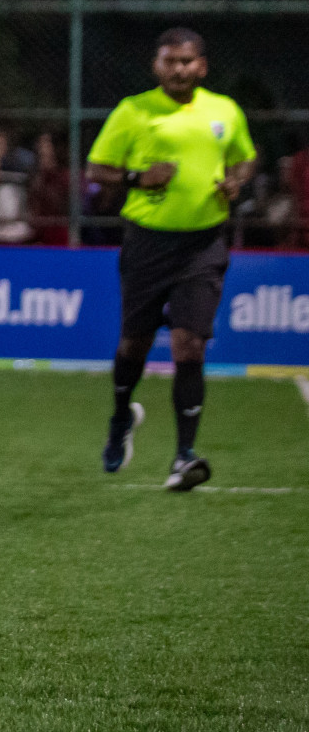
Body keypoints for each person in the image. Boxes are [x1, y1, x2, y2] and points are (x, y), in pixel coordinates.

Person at [86, 28, 256, 491]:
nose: (179, 69)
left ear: (202, 65)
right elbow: (96, 169)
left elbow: (245, 159)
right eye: (170, 61)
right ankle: (122, 416)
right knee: (133, 346)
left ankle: (184, 457)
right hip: (147, 244)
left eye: (187, 61)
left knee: (190, 345)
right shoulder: (133, 110)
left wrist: (236, 183)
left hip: (203, 244)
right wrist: (138, 176)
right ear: (157, 66)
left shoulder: (224, 111)